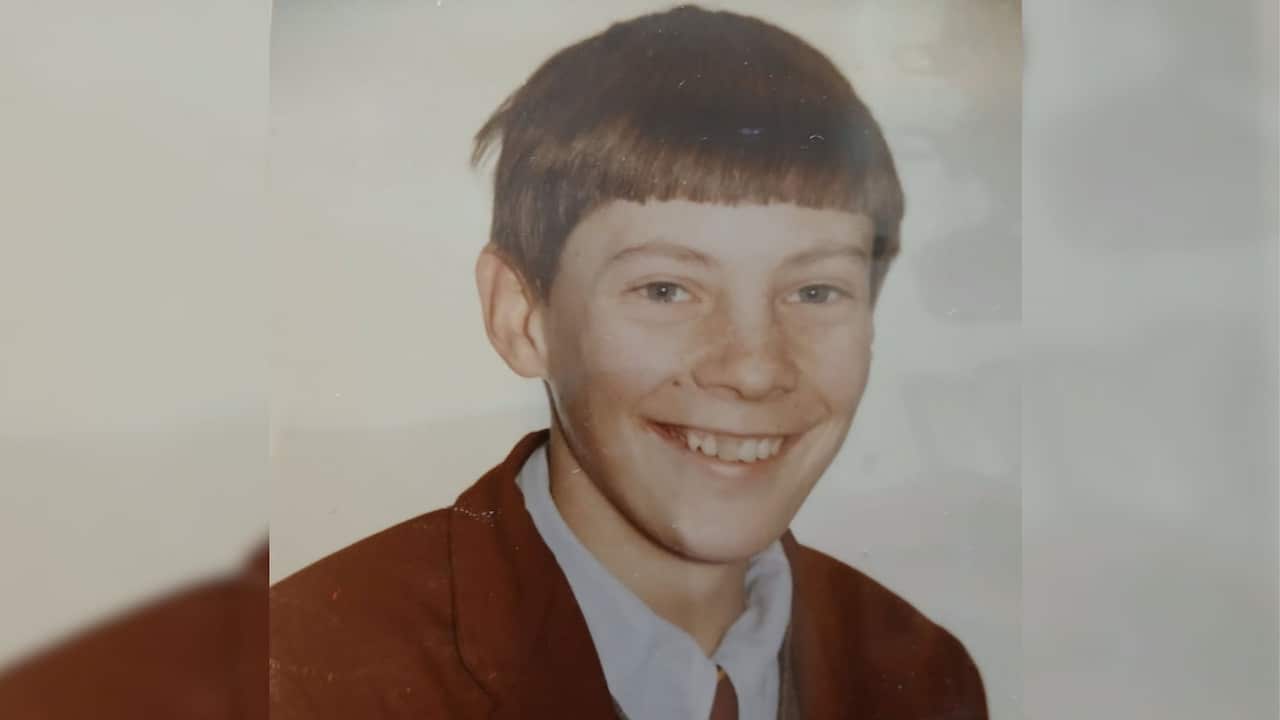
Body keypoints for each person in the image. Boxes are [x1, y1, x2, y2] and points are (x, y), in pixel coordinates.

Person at [270, 6, 988, 719]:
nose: (754, 368)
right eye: (667, 289)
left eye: (814, 290)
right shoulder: (312, 679)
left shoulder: (922, 677)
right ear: (523, 317)